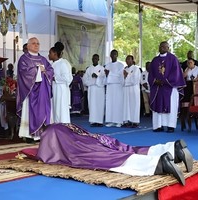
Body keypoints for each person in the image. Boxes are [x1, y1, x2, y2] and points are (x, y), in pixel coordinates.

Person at [23, 123, 193, 186]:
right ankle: (172, 149)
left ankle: (160, 164)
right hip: (99, 139)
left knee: (114, 159)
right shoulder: (61, 124)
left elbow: (46, 155)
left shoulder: (49, 132)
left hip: (85, 149)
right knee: (129, 148)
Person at [16, 37, 54, 142]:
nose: (36, 45)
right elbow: (23, 73)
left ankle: (42, 134)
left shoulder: (43, 59)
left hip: (42, 91)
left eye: (38, 43)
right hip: (30, 91)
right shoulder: (24, 59)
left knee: (43, 111)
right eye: (33, 43)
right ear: (28, 46)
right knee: (29, 112)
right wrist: (37, 70)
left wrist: (45, 71)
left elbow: (50, 70)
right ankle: (29, 135)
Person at [148, 41, 186, 133]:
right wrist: (155, 81)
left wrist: (165, 81)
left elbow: (176, 73)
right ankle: (158, 125)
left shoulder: (173, 59)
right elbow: (151, 74)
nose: (162, 48)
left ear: (168, 48)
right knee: (158, 105)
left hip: (170, 87)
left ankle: (170, 126)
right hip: (157, 88)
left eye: (164, 47)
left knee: (171, 106)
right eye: (161, 46)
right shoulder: (155, 60)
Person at [48, 41, 73, 123]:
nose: (48, 55)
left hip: (61, 90)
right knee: (55, 109)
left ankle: (63, 129)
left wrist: (55, 78)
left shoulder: (63, 63)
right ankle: (56, 128)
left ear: (55, 53)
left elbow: (68, 78)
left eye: (50, 53)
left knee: (61, 110)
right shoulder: (52, 64)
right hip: (54, 89)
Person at [82, 54, 106, 127]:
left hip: (99, 89)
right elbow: (84, 80)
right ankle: (93, 121)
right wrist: (92, 81)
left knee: (100, 104)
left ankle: (99, 121)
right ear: (92, 59)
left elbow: (104, 79)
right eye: (93, 58)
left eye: (96, 58)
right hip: (92, 89)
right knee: (92, 104)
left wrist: (97, 78)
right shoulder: (89, 69)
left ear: (98, 59)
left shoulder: (102, 69)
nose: (95, 60)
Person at [104, 49, 125, 127]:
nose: (113, 56)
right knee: (110, 103)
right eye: (112, 54)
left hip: (118, 86)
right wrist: (106, 75)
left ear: (117, 55)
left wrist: (109, 74)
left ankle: (119, 121)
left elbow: (119, 75)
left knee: (118, 103)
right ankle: (111, 120)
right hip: (110, 86)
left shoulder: (120, 65)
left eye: (115, 54)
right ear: (110, 56)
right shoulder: (107, 65)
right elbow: (104, 76)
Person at [122, 55, 141, 128]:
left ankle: (135, 121)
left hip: (133, 89)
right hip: (126, 89)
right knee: (126, 105)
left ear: (132, 60)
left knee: (134, 104)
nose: (127, 61)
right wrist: (124, 77)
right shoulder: (125, 69)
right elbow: (122, 80)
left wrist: (127, 75)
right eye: (126, 59)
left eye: (129, 59)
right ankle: (127, 120)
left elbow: (135, 80)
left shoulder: (136, 69)